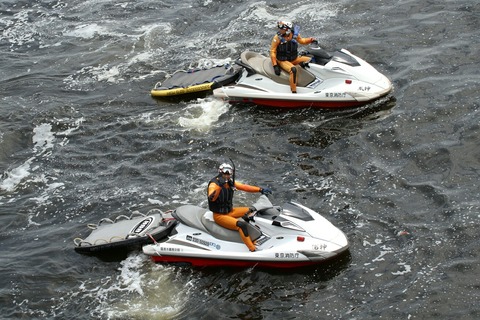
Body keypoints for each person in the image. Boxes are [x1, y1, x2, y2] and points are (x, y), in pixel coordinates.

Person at [207, 162, 272, 252]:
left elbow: (244, 187)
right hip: (219, 216)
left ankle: (259, 235)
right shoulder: (214, 184)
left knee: (253, 211)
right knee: (241, 226)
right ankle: (252, 249)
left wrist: (260, 189)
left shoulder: (230, 183)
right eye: (225, 173)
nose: (227, 175)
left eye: (229, 173)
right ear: (220, 172)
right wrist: (219, 187)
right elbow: (212, 197)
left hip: (230, 211)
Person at [270, 21, 317, 93]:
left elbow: (302, 41)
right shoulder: (277, 38)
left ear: (288, 30)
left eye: (282, 29)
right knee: (293, 70)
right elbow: (272, 51)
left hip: (294, 58)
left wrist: (311, 40)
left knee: (311, 60)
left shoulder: (294, 34)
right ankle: (294, 91)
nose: (280, 30)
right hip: (282, 60)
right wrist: (275, 65)